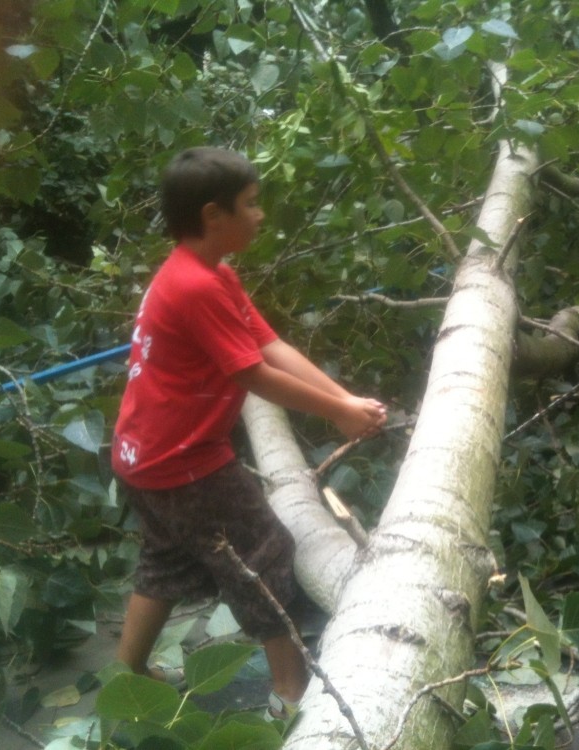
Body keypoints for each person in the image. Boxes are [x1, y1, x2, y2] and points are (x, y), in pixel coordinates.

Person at [111, 147, 388, 720]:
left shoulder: (210, 274)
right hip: (186, 464)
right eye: (252, 204)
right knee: (263, 553)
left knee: (166, 560)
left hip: (142, 457)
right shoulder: (195, 287)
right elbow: (254, 374)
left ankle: (126, 677)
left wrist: (344, 401)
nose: (261, 215)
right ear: (214, 215)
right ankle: (290, 694)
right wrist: (336, 412)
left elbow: (269, 344)